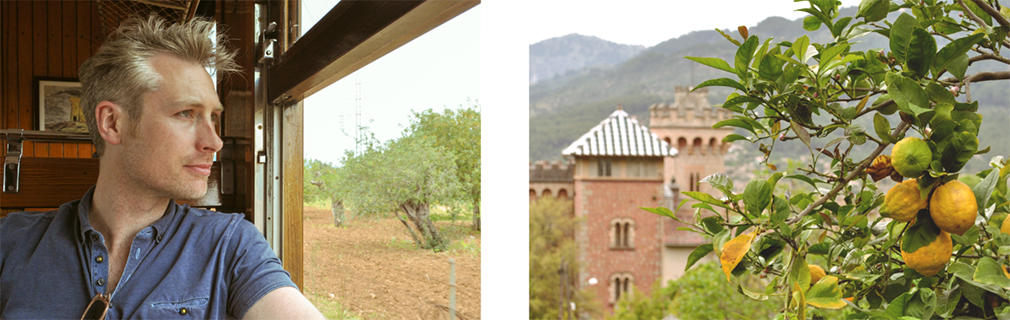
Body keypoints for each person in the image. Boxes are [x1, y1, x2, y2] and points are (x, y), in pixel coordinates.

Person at [0, 15, 324, 319]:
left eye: (213, 117)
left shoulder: (230, 245)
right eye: (186, 113)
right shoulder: (11, 242)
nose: (215, 141)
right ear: (113, 123)